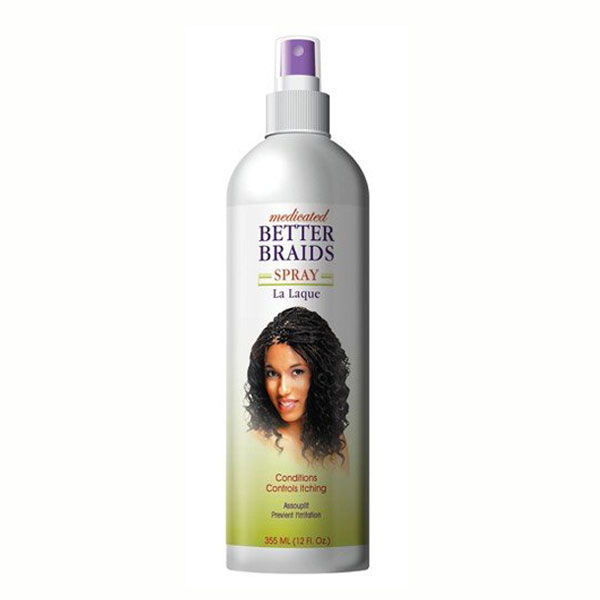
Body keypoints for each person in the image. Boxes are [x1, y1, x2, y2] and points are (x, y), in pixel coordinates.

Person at [245, 306, 350, 469]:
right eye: (272, 373)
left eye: (297, 372)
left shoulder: (336, 443)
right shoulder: (254, 445)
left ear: (320, 374)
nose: (283, 389)